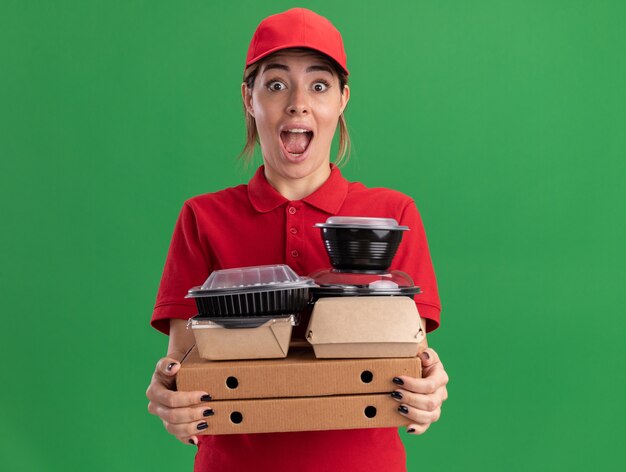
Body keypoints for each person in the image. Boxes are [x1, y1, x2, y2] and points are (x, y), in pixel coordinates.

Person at [146, 8, 449, 472]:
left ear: (343, 99)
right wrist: (173, 402)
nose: (298, 103)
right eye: (276, 84)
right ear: (248, 97)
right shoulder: (203, 218)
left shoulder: (391, 217)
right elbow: (185, 365)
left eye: (319, 85)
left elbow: (413, 360)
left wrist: (431, 387)